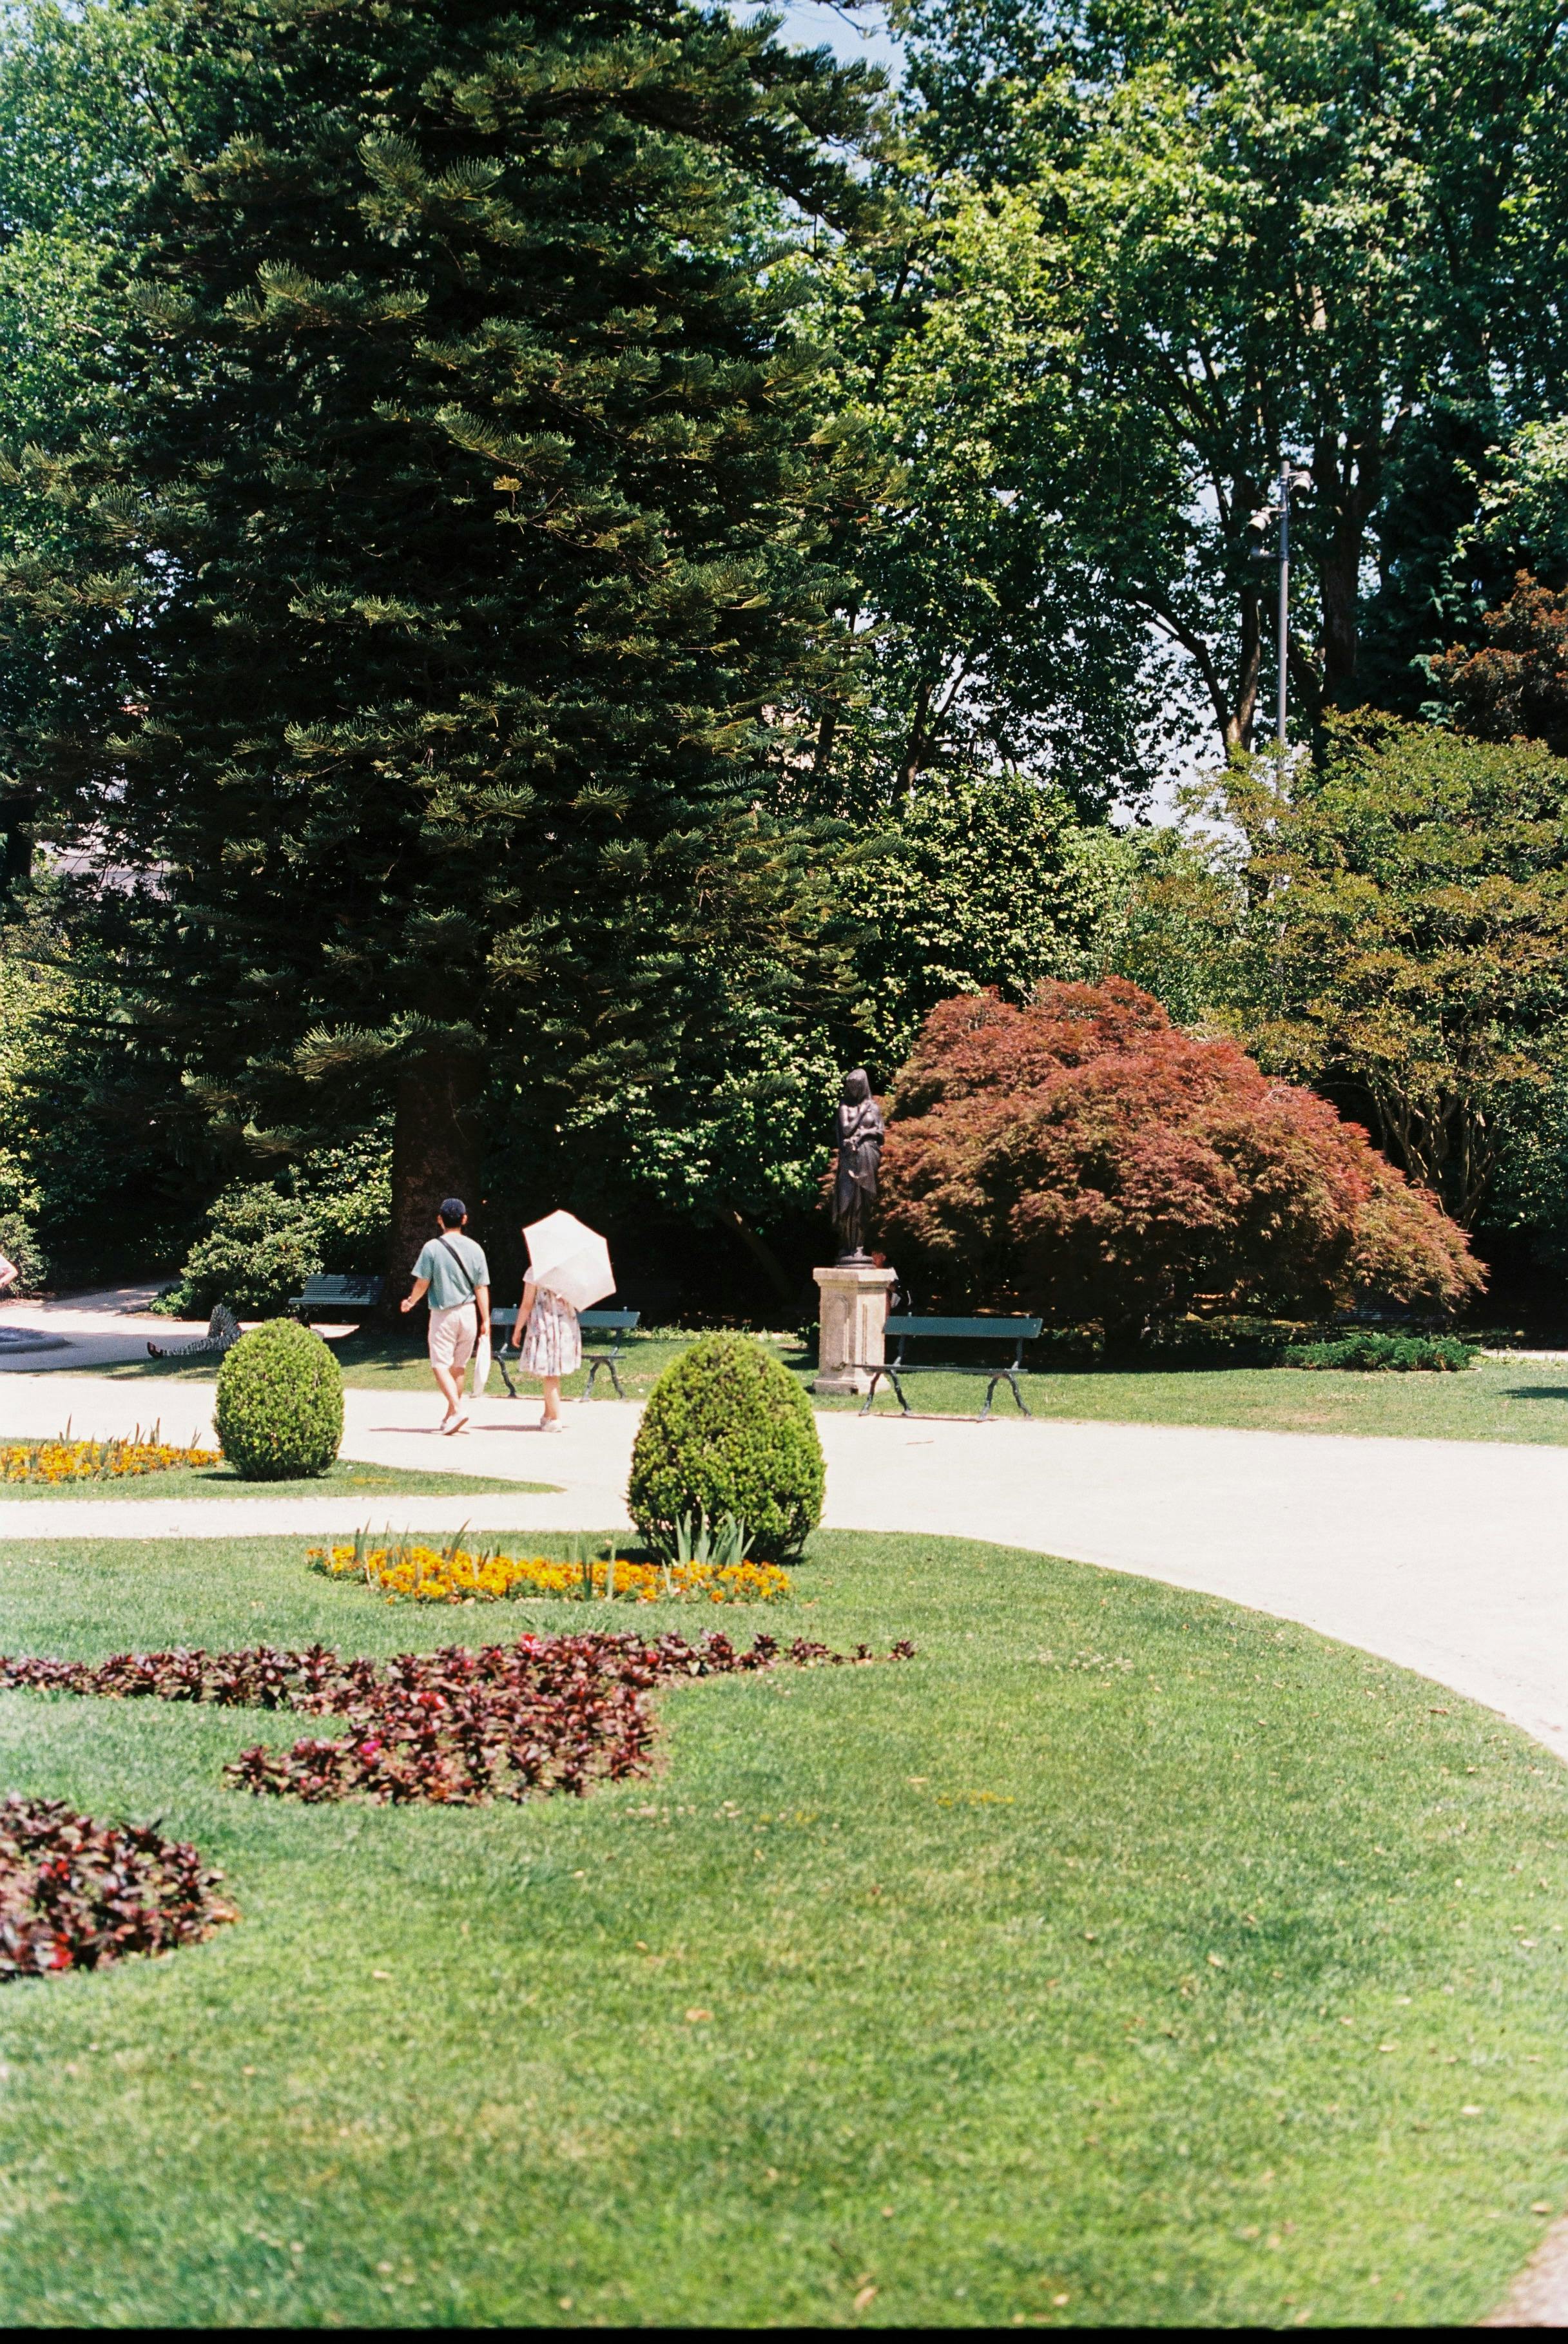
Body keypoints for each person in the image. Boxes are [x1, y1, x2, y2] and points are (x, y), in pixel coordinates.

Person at [400, 1197, 490, 1434]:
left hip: (443, 1314)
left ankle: (458, 1410)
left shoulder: (432, 1248)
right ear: (464, 1219)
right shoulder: (476, 1249)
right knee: (458, 1366)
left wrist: (411, 1302)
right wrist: (486, 1319)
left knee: (440, 1364)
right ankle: (451, 1416)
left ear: (440, 1219)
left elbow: (423, 1282)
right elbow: (481, 1287)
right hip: (469, 1313)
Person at [510, 1256, 581, 1431]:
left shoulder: (535, 1271)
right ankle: (548, 1414)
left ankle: (555, 1419)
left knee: (550, 1373)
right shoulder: (568, 1273)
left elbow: (527, 1304)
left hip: (545, 1325)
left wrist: (518, 1329)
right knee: (552, 1372)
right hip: (565, 1326)